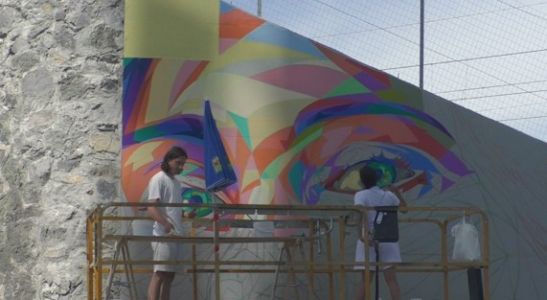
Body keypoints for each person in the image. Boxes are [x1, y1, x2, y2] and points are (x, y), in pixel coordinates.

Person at [354, 166, 407, 300]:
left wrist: (362, 235)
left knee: (365, 281)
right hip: (388, 239)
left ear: (362, 181)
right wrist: (397, 192)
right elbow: (404, 209)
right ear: (377, 179)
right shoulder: (388, 195)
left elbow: (360, 214)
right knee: (391, 280)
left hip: (368, 239)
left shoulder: (361, 195)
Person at [147, 146, 188, 300]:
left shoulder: (177, 183)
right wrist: (165, 224)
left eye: (183, 164)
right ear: (169, 160)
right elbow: (152, 207)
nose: (181, 167)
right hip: (163, 235)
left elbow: (172, 208)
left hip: (175, 234)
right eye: (178, 163)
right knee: (159, 274)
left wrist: (185, 214)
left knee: (169, 276)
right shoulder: (159, 178)